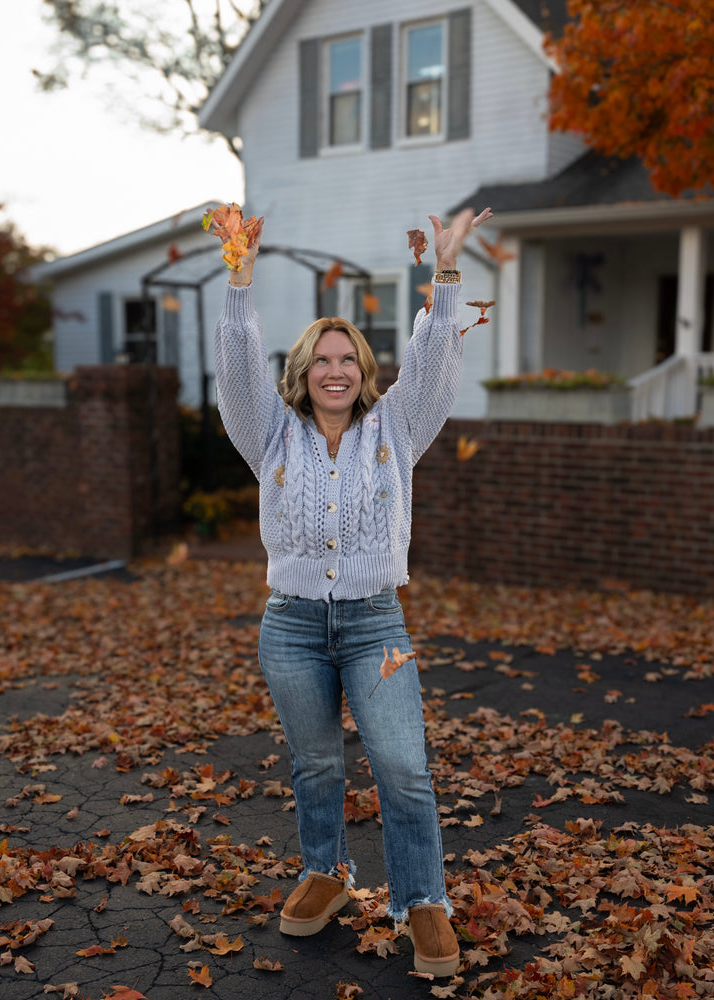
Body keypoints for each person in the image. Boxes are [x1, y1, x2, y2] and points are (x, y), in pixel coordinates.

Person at [214, 206, 492, 978]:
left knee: (403, 765)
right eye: (319, 360)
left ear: (364, 371)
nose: (334, 371)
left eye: (347, 359)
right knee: (315, 766)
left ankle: (422, 898)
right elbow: (236, 367)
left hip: (376, 624)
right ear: (300, 373)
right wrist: (240, 277)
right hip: (292, 627)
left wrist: (443, 275)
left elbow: (434, 363)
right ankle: (326, 873)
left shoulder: (395, 429)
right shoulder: (267, 431)